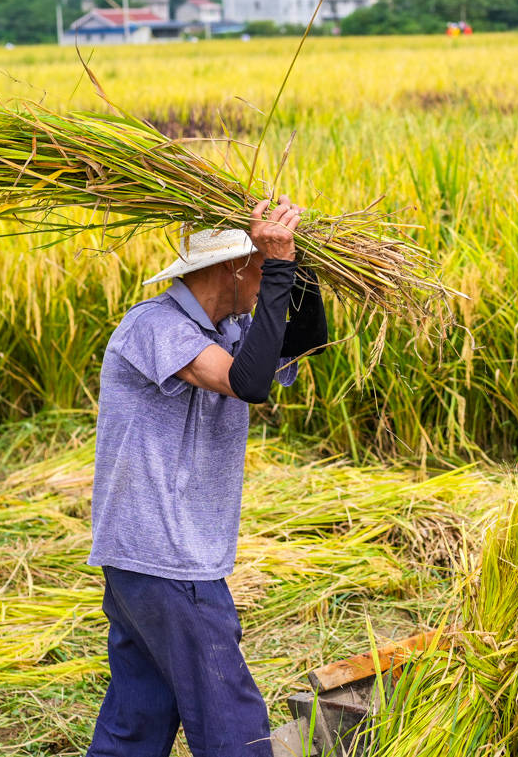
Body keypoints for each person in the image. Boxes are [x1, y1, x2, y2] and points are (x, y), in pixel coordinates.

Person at [86, 195, 328, 757]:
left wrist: (302, 267)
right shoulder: (154, 325)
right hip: (168, 559)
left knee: (138, 718)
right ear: (233, 266)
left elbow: (307, 338)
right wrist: (281, 268)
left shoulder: (230, 330)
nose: (268, 278)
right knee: (232, 723)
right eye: (262, 266)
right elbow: (249, 383)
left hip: (144, 563)